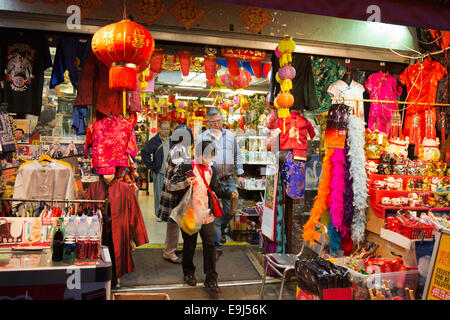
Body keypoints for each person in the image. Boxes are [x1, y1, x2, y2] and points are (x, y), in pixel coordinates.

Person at [170, 140, 238, 293]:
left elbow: (216, 188)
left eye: (212, 157)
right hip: (190, 214)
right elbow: (173, 184)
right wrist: (185, 182)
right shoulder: (188, 167)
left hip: (207, 213)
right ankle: (188, 273)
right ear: (198, 153)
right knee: (189, 245)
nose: (209, 160)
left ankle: (211, 279)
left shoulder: (211, 169)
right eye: (207, 156)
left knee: (210, 244)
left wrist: (229, 193)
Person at [196, 107, 244, 261]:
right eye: (213, 122)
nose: (217, 124)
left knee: (231, 210)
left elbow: (237, 155)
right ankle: (217, 247)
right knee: (215, 215)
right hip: (212, 181)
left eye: (219, 121)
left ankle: (222, 230)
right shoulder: (202, 137)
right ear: (208, 122)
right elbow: (198, 158)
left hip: (229, 179)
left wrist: (241, 174)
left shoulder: (230, 135)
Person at [158, 125, 193, 264]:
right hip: (175, 192)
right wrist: (187, 181)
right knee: (173, 223)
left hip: (174, 191)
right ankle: (169, 252)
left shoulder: (179, 149)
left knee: (174, 222)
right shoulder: (179, 151)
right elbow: (177, 176)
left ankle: (171, 247)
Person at [141, 121, 171, 221]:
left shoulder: (172, 140)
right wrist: (151, 166)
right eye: (164, 129)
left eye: (167, 129)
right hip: (159, 172)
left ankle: (167, 213)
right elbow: (144, 153)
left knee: (169, 194)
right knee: (159, 194)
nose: (166, 131)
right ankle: (159, 214)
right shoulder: (155, 141)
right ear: (160, 129)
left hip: (170, 173)